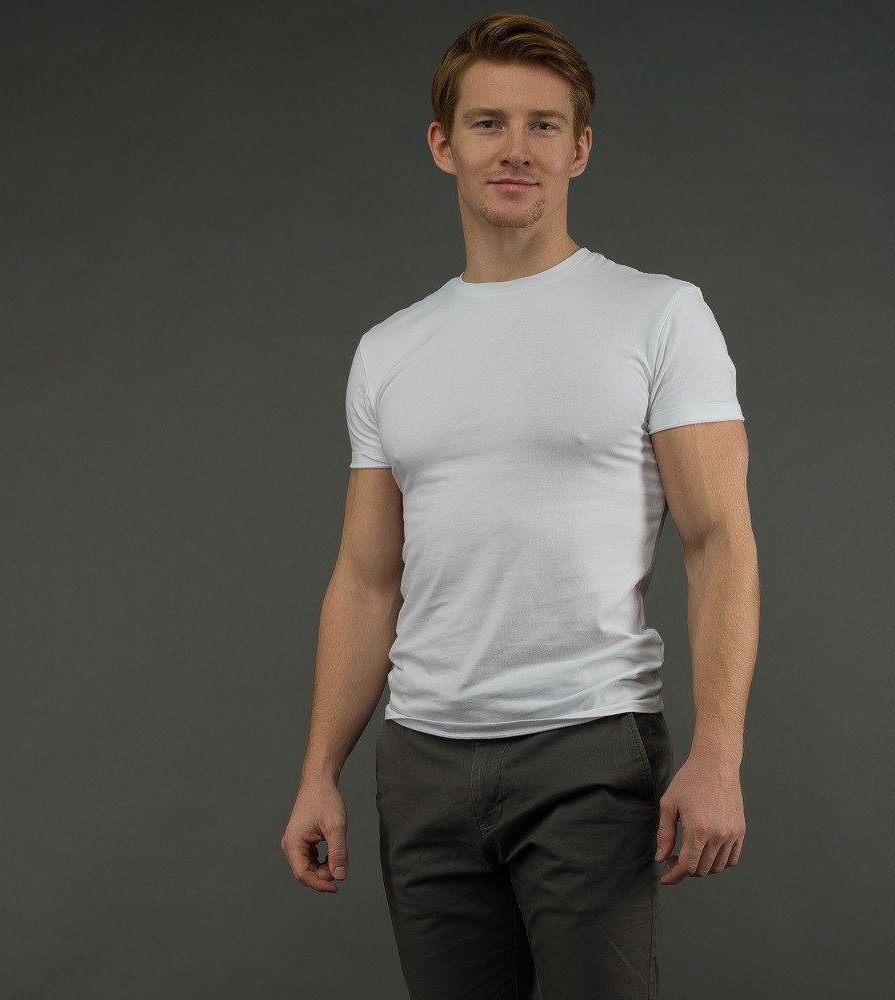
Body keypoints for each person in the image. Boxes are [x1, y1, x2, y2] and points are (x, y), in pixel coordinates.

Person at [281, 11, 759, 999]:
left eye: (544, 125)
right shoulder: (389, 349)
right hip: (421, 762)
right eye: (488, 123)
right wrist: (318, 770)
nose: (516, 149)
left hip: (590, 746)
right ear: (442, 144)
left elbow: (719, 543)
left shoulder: (659, 314)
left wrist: (719, 754)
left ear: (579, 149)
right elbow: (366, 579)